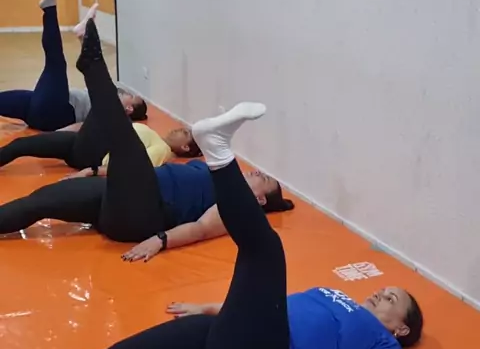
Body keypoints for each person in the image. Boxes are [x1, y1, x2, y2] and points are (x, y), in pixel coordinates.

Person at [0, 103, 423, 349]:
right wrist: (209, 308)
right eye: (384, 290)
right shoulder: (337, 296)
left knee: (266, 251)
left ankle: (219, 153)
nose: (380, 294)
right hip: (228, 341)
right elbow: (269, 309)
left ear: (400, 328)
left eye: (392, 299)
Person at [0, 19, 293, 252]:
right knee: (41, 200)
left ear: (260, 200)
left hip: (143, 211)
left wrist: (159, 241)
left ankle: (93, 64)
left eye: (264, 179)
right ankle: (93, 66)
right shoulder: (219, 173)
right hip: (120, 198)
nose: (259, 172)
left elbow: (202, 228)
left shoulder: (239, 205)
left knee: (126, 142)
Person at [0, 0, 146, 131]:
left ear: (129, 108)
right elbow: (94, 71)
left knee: (56, 63)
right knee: (30, 95)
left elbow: (82, 127)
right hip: (43, 109)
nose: (129, 93)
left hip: (56, 111)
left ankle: (50, 10)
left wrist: (59, 133)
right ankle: (72, 26)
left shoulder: (113, 111)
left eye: (132, 97)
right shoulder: (110, 97)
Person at [0, 115, 201, 173]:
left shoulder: (162, 150)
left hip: (93, 152)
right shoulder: (156, 137)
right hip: (84, 145)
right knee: (21, 145)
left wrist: (93, 171)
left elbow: (133, 168)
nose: (178, 129)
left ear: (185, 147)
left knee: (107, 103)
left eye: (184, 133)